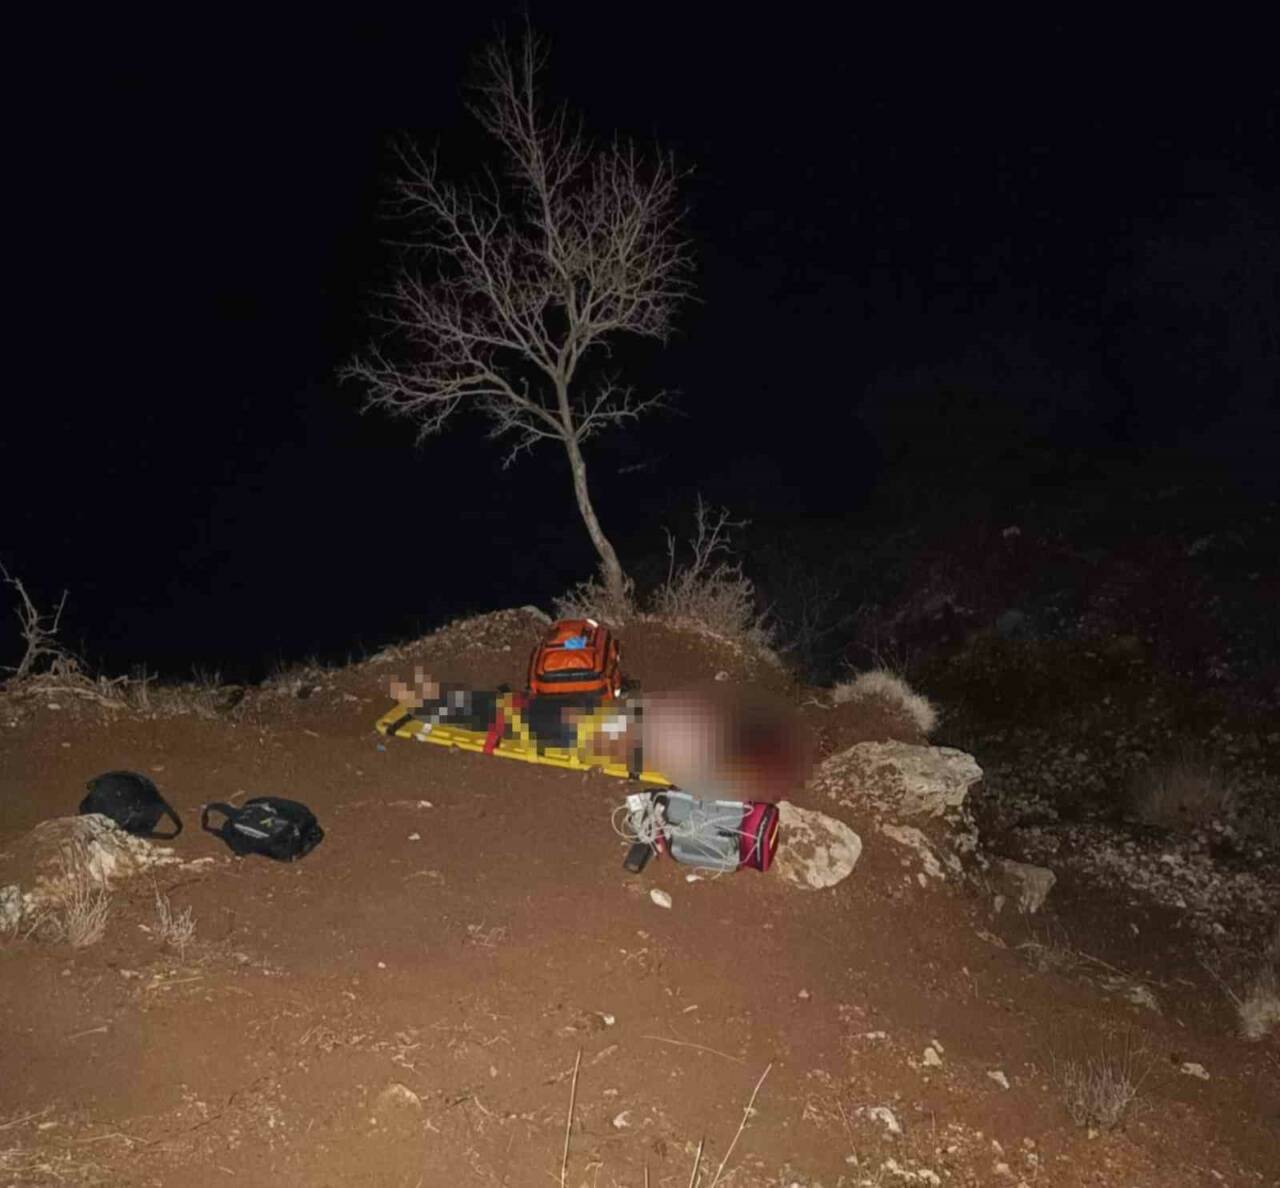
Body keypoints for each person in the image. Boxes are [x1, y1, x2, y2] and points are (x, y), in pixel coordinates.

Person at [387, 669, 810, 802]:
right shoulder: (711, 726)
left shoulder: (710, 766)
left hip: (599, 733)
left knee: (522, 716)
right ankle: (435, 700)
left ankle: (430, 704)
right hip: (610, 714)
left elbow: (693, 778)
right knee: (521, 706)